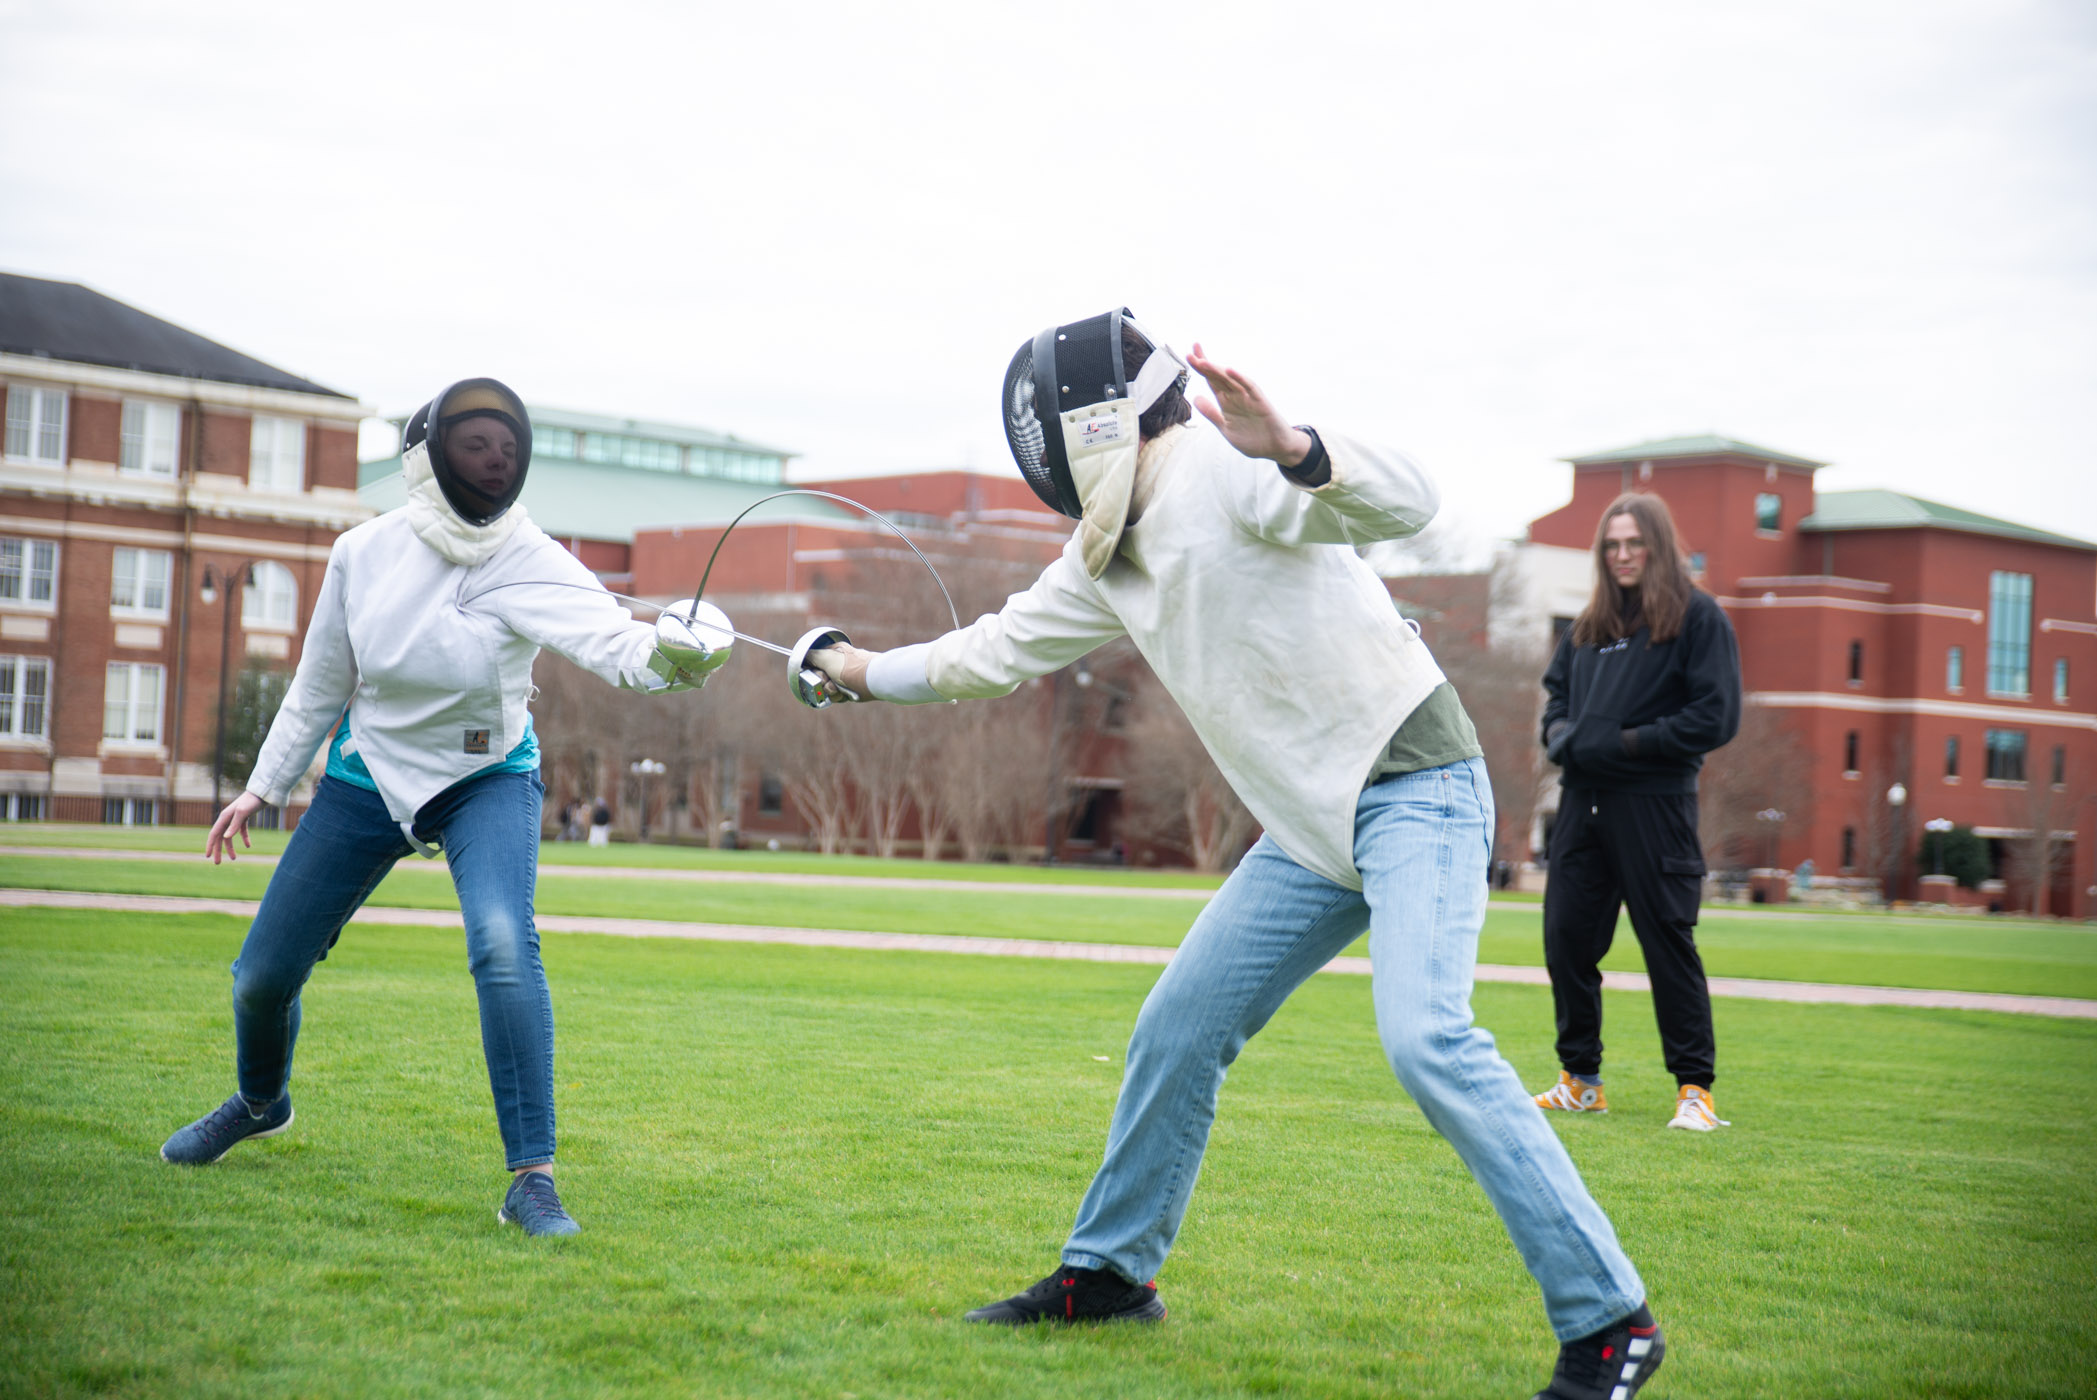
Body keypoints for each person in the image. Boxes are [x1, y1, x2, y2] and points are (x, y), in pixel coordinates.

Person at [808, 312, 1666, 1400]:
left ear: (1087, 428)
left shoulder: (1230, 470)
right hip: (1308, 836)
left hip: (1417, 789)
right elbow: (987, 653)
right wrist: (854, 665)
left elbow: (1410, 499)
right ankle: (1111, 1272)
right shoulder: (1108, 555)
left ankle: (1610, 1321)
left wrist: (1296, 446)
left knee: (1426, 1038)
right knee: (1177, 1026)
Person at [158, 379, 723, 1236]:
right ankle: (259, 1101)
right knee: (261, 977)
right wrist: (262, 785)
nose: (495, 461)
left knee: (503, 941)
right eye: (475, 446)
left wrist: (682, 653)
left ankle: (531, 1178)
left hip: (485, 774)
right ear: (429, 460)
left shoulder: (530, 557)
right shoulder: (363, 552)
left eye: (506, 448)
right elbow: (322, 681)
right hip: (368, 772)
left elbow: (621, 645)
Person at [1534, 491, 1741, 1133]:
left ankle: (1694, 1090)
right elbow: (1555, 705)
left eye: (1634, 543)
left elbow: (1715, 716)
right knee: (1566, 940)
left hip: (1656, 807)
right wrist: (1567, 738)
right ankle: (1581, 1081)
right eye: (1612, 546)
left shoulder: (1698, 619)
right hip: (1581, 804)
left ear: (1657, 546)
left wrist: (1627, 744)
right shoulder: (1587, 628)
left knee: (1666, 945)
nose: (1622, 556)